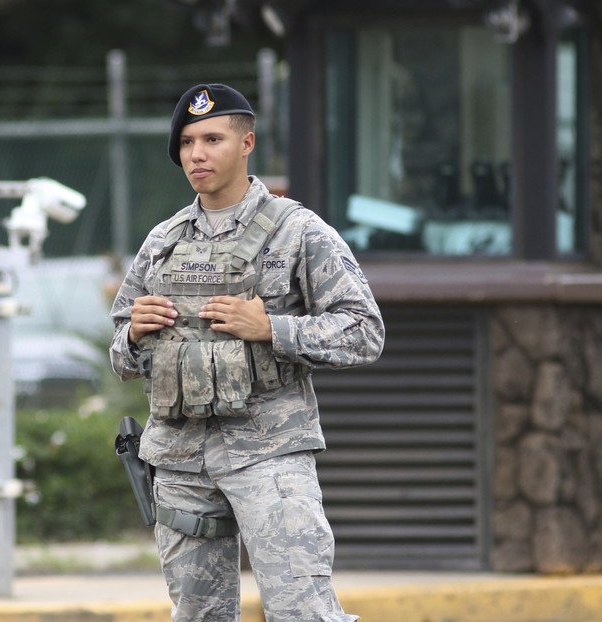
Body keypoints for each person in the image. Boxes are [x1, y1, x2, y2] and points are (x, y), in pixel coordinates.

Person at [109, 83, 384, 621]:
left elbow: (363, 332)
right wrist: (135, 336)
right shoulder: (162, 241)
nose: (197, 154)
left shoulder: (299, 232)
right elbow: (120, 353)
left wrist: (273, 329)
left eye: (213, 139)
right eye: (187, 142)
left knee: (303, 612)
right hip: (180, 459)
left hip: (269, 454)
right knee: (197, 615)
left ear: (247, 143)